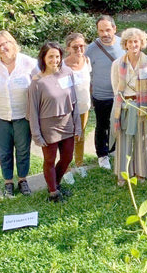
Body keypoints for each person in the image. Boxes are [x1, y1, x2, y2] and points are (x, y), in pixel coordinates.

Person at [0, 31, 37, 197]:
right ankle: (8, 182)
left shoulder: (29, 63)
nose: (2, 48)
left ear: (13, 43)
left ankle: (22, 180)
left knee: (23, 149)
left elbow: (40, 86)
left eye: (5, 43)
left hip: (23, 115)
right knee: (4, 150)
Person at [28, 42, 81, 202]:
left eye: (57, 56)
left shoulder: (67, 73)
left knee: (67, 158)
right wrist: (36, 134)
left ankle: (55, 183)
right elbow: (33, 111)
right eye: (50, 56)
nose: (55, 60)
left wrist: (77, 125)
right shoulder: (37, 82)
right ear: (43, 58)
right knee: (50, 160)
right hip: (48, 126)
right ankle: (53, 192)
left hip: (67, 122)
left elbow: (74, 101)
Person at [111, 28, 147, 185]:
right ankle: (123, 174)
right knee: (124, 140)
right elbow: (115, 87)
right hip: (123, 105)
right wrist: (122, 104)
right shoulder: (117, 64)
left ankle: (141, 173)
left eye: (136, 41)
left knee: (141, 139)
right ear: (125, 44)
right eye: (130, 42)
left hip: (142, 106)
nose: (133, 44)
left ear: (141, 43)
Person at [86, 15, 124, 170]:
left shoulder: (124, 44)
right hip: (101, 95)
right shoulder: (91, 49)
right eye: (101, 30)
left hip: (120, 94)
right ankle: (102, 155)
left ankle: (114, 149)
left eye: (108, 30)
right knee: (102, 125)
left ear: (114, 29)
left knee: (119, 124)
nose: (105, 34)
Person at [63, 33, 92, 182]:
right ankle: (66, 169)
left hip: (83, 106)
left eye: (82, 46)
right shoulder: (62, 65)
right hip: (68, 110)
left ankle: (79, 163)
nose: (79, 49)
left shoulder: (87, 61)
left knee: (80, 137)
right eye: (75, 47)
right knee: (67, 139)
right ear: (68, 48)